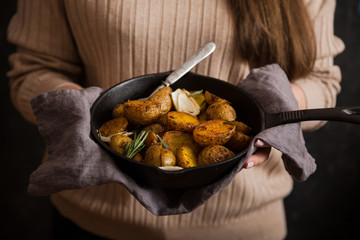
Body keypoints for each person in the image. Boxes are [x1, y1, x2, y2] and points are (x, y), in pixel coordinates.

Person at [7, 0, 344, 239]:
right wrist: (78, 112)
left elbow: (322, 80)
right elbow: (35, 69)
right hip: (95, 222)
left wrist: (275, 111)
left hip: (243, 229)